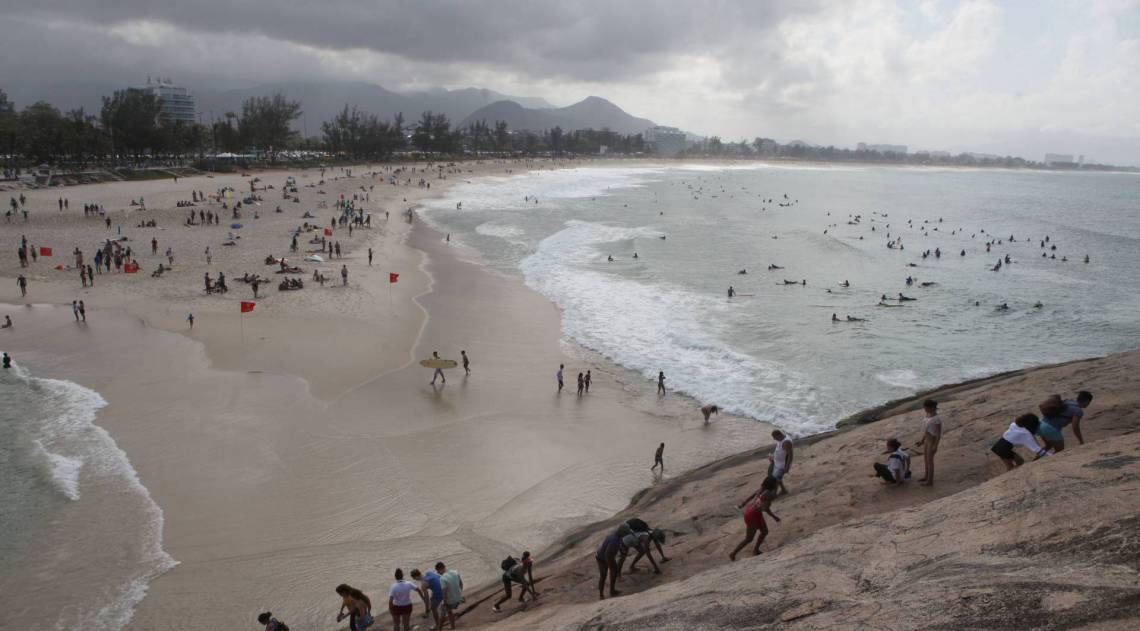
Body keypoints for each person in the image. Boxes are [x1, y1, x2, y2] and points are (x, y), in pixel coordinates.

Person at [729, 477, 780, 561]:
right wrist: (774, 517)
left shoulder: (762, 489)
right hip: (753, 515)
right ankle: (733, 553)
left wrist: (743, 504)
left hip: (751, 511)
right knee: (749, 538)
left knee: (764, 531)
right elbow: (766, 508)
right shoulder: (769, 494)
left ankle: (755, 550)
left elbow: (753, 496)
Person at [594, 525, 631, 599]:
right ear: (623, 533)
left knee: (613, 572)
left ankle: (612, 591)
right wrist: (611, 566)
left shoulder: (616, 534)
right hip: (601, 557)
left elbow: (619, 542)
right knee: (604, 575)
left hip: (602, 553)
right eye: (626, 533)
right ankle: (602, 595)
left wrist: (621, 550)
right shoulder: (614, 541)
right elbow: (607, 555)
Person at [915, 399, 942, 486]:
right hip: (927, 440)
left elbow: (938, 433)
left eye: (926, 408)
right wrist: (922, 441)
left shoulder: (937, 418)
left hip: (932, 441)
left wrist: (935, 445)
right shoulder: (928, 414)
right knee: (926, 460)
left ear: (932, 407)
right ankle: (926, 477)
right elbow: (926, 431)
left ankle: (930, 481)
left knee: (930, 461)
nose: (925, 409)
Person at [437, 562, 463, 631]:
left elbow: (444, 592)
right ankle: (452, 627)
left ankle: (439, 629)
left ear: (440, 569)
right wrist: (460, 594)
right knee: (449, 612)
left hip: (450, 601)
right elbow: (461, 584)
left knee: (441, 612)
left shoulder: (442, 578)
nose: (438, 573)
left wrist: (444, 603)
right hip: (458, 598)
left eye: (438, 571)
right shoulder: (455, 572)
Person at [768, 430, 793, 495]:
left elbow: (790, 455)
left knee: (775, 479)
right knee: (772, 476)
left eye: (774, 437)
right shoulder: (781, 439)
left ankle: (774, 493)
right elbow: (780, 451)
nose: (774, 439)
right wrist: (773, 457)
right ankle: (783, 490)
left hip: (781, 465)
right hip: (776, 462)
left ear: (779, 435)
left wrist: (787, 467)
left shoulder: (786, 442)